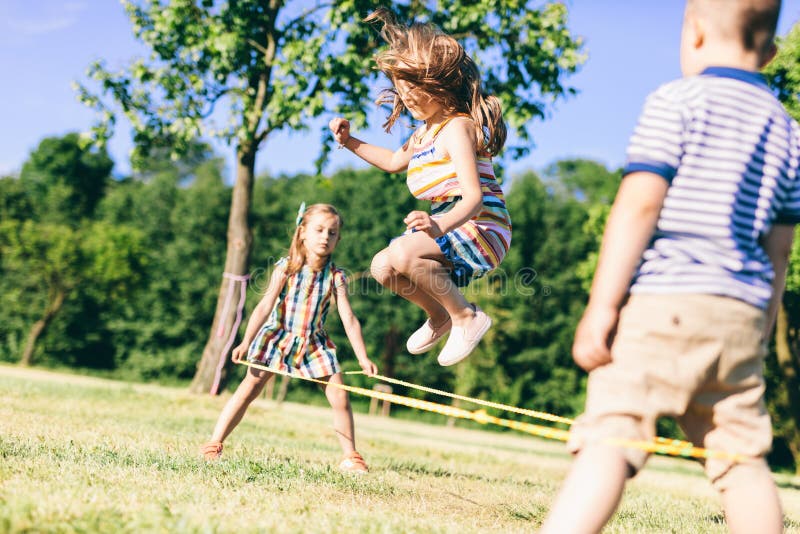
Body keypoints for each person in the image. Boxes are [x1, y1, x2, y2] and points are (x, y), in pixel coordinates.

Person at [541, 1, 799, 532]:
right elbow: (780, 249)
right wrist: (764, 324)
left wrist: (602, 307)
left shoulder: (676, 101)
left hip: (666, 301)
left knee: (611, 437)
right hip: (742, 315)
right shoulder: (789, 132)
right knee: (741, 459)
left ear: (695, 32)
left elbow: (639, 206)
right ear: (771, 52)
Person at [329, 8, 512, 367]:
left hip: (483, 224)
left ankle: (466, 317)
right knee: (383, 267)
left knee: (402, 254)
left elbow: (474, 197)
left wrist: (438, 226)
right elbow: (393, 162)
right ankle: (441, 315)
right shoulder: (422, 134)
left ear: (439, 83)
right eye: (400, 87)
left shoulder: (457, 128)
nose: (406, 96)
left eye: (412, 86)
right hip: (453, 224)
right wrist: (350, 142)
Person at [201, 203, 378, 473]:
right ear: (302, 233)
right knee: (248, 390)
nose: (325, 237)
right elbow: (264, 306)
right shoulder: (286, 268)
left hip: (314, 344)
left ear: (338, 239)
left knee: (340, 397)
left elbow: (349, 319)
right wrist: (246, 341)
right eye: (319, 230)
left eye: (332, 233)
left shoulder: (336, 276)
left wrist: (363, 357)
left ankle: (350, 456)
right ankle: (214, 443)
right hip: (277, 338)